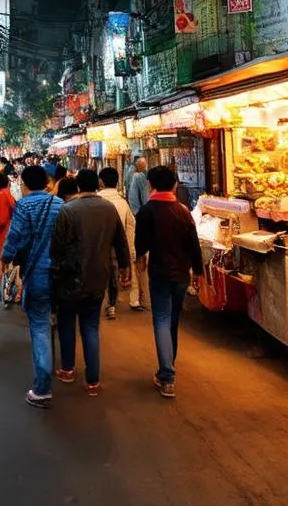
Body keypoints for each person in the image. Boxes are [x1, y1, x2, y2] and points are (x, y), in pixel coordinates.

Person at [50, 168, 129, 396]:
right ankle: (93, 380)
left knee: (67, 325)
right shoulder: (109, 208)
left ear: (77, 187)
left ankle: (67, 369)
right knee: (91, 327)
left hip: (70, 280)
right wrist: (124, 267)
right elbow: (120, 242)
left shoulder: (67, 210)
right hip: (98, 276)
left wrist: (54, 279)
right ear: (98, 184)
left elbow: (57, 249)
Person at [135, 166, 204, 399]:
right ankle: (168, 367)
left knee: (162, 321)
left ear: (150, 185)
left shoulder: (147, 211)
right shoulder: (183, 211)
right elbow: (194, 245)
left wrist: (138, 262)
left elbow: (140, 244)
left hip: (160, 273)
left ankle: (167, 375)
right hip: (181, 276)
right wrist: (199, 273)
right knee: (172, 321)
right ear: (174, 186)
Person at [0, 165, 64, 408]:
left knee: (39, 327)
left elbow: (15, 237)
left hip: (37, 273)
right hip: (59, 274)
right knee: (52, 323)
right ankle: (61, 368)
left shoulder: (25, 205)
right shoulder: (58, 203)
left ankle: (42, 387)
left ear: (25, 184)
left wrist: (4, 259)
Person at [98, 166, 145, 314]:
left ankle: (109, 302)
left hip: (100, 245)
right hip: (121, 244)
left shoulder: (96, 201)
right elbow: (131, 226)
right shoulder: (122, 202)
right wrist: (132, 249)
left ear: (101, 182)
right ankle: (134, 299)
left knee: (106, 274)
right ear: (117, 182)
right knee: (125, 269)